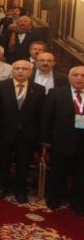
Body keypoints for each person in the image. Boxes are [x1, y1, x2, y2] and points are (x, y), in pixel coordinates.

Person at [0, 60, 45, 203]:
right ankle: (1, 187)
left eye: (24, 69)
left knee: (24, 163)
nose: (20, 71)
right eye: (17, 68)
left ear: (31, 72)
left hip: (28, 134)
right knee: (3, 161)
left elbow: (41, 114)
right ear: (12, 70)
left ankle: (20, 190)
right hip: (5, 131)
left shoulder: (39, 89)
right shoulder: (1, 86)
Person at [41, 66, 84, 214]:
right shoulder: (56, 93)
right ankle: (55, 198)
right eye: (76, 75)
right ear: (69, 77)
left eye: (83, 75)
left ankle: (78, 200)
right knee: (58, 172)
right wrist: (46, 139)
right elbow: (46, 117)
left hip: (83, 143)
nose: (79, 78)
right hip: (61, 140)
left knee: (81, 174)